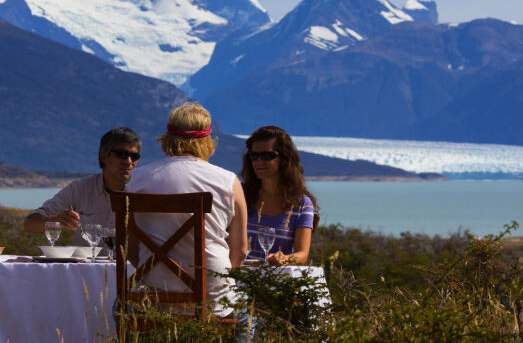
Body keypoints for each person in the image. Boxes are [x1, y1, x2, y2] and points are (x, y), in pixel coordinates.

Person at [126, 102, 248, 320]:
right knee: (247, 309)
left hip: (155, 294)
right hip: (213, 297)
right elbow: (239, 251)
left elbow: (130, 249)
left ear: (167, 138)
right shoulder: (228, 182)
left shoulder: (136, 180)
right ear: (208, 140)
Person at [24, 127, 141, 245]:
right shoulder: (80, 189)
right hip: (85, 263)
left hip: (130, 264)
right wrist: (56, 220)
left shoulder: (143, 190)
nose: (128, 161)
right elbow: (30, 224)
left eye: (134, 156)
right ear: (103, 156)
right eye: (122, 154)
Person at [241, 126, 318, 265]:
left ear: (283, 159)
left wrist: (284, 259)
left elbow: (302, 254)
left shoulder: (301, 204)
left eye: (267, 156)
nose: (259, 162)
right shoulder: (240, 195)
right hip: (238, 280)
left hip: (278, 281)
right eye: (254, 156)